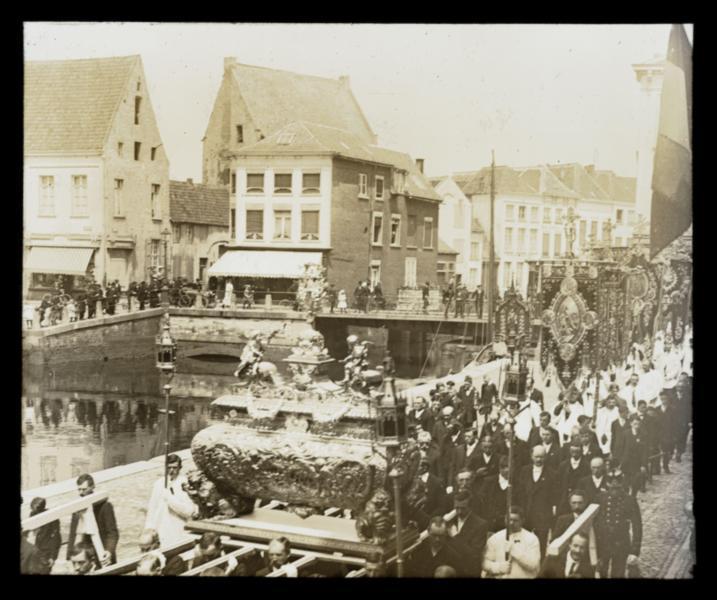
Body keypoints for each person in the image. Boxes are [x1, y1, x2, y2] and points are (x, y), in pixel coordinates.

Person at [594, 471, 642, 578]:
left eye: (618, 483)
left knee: (618, 574)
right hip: (603, 544)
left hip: (621, 544)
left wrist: (635, 550)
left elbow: (637, 526)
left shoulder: (630, 500)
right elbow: (593, 522)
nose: (614, 486)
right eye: (611, 483)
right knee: (601, 573)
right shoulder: (600, 498)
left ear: (622, 483)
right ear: (607, 483)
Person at [145, 454, 199, 548]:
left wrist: (169, 498)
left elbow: (189, 511)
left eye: (175, 468)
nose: (171, 471)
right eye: (169, 468)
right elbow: (152, 507)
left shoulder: (185, 483)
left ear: (180, 468)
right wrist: (149, 527)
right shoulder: (159, 484)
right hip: (162, 528)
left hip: (179, 528)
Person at [66, 473, 119, 568]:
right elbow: (73, 533)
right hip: (84, 558)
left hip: (102, 554)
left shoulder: (105, 507)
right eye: (79, 489)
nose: (81, 493)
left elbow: (112, 533)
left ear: (92, 487)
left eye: (84, 489)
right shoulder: (77, 508)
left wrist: (109, 550)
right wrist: (69, 555)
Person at [515, 445, 557, 558]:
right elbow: (520, 493)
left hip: (542, 516)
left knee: (540, 545)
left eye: (542, 457)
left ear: (546, 457)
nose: (539, 460)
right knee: (523, 543)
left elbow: (554, 496)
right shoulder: (524, 471)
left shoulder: (552, 474)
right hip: (526, 514)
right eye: (536, 457)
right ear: (531, 456)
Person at [482, 505, 541, 579]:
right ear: (505, 519)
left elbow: (534, 565)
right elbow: (485, 562)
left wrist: (514, 551)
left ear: (522, 520)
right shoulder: (495, 538)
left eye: (515, 520)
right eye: (509, 519)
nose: (511, 523)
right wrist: (498, 567)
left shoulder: (531, 539)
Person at [448, 490, 489, 577]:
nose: (459, 512)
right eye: (456, 508)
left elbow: (473, 554)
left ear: (471, 507)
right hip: (449, 566)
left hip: (467, 571)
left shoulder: (481, 525)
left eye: (463, 508)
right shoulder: (450, 520)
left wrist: (456, 536)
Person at [556, 440, 590, 515]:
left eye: (577, 451)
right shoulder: (563, 465)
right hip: (564, 501)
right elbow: (558, 484)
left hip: (579, 502)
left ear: (581, 451)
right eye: (572, 451)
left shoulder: (587, 466)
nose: (574, 454)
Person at [29, 497, 61, 574]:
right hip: (35, 550)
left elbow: (56, 537)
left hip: (46, 550)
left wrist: (53, 557)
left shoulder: (51, 516)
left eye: (36, 510)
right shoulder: (33, 514)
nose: (34, 512)